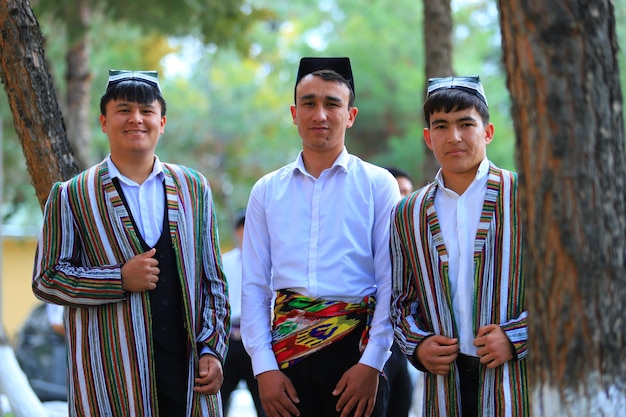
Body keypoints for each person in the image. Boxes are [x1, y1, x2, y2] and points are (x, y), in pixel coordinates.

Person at [32, 69, 230, 417]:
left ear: (162, 122)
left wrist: (213, 349)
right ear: (104, 121)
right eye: (124, 110)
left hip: (187, 375)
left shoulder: (193, 189)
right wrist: (118, 280)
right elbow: (47, 279)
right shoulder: (72, 195)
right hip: (109, 379)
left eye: (146, 111)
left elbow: (214, 282)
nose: (136, 119)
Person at [241, 57, 400, 417]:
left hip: (356, 355)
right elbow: (254, 284)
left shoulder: (378, 184)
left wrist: (373, 362)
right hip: (284, 356)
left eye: (332, 103)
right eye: (309, 103)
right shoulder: (267, 190)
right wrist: (263, 367)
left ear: (351, 114)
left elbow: (392, 279)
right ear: (294, 113)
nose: (320, 114)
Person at [390, 75, 528, 417]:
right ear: (428, 137)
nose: (453, 137)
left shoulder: (527, 196)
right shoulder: (409, 212)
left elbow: (568, 289)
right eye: (441, 126)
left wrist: (517, 336)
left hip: (517, 382)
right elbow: (399, 300)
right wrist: (419, 346)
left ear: (488, 131)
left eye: (466, 123)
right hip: (444, 388)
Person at [221, 209, 266, 417]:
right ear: (236, 231)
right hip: (229, 338)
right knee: (218, 402)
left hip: (257, 338)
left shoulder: (270, 263)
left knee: (265, 404)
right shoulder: (224, 261)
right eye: (242, 227)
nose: (246, 232)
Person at [383, 167, 414, 417]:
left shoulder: (418, 239)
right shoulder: (370, 238)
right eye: (393, 191)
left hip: (409, 345)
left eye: (404, 192)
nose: (399, 198)